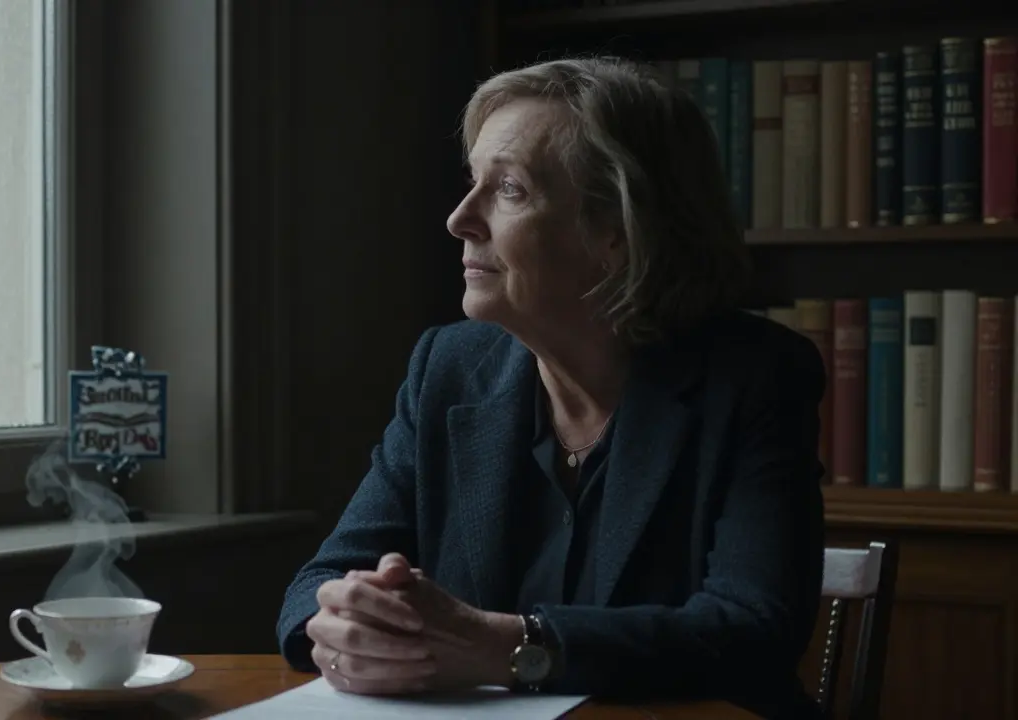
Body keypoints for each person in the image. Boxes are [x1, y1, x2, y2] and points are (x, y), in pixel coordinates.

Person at [276, 55, 825, 720]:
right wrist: (350, 630)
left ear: (618, 235)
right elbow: (317, 585)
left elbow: (751, 629)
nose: (459, 219)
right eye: (470, 182)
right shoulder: (446, 368)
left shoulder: (753, 378)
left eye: (508, 190)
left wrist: (505, 645)